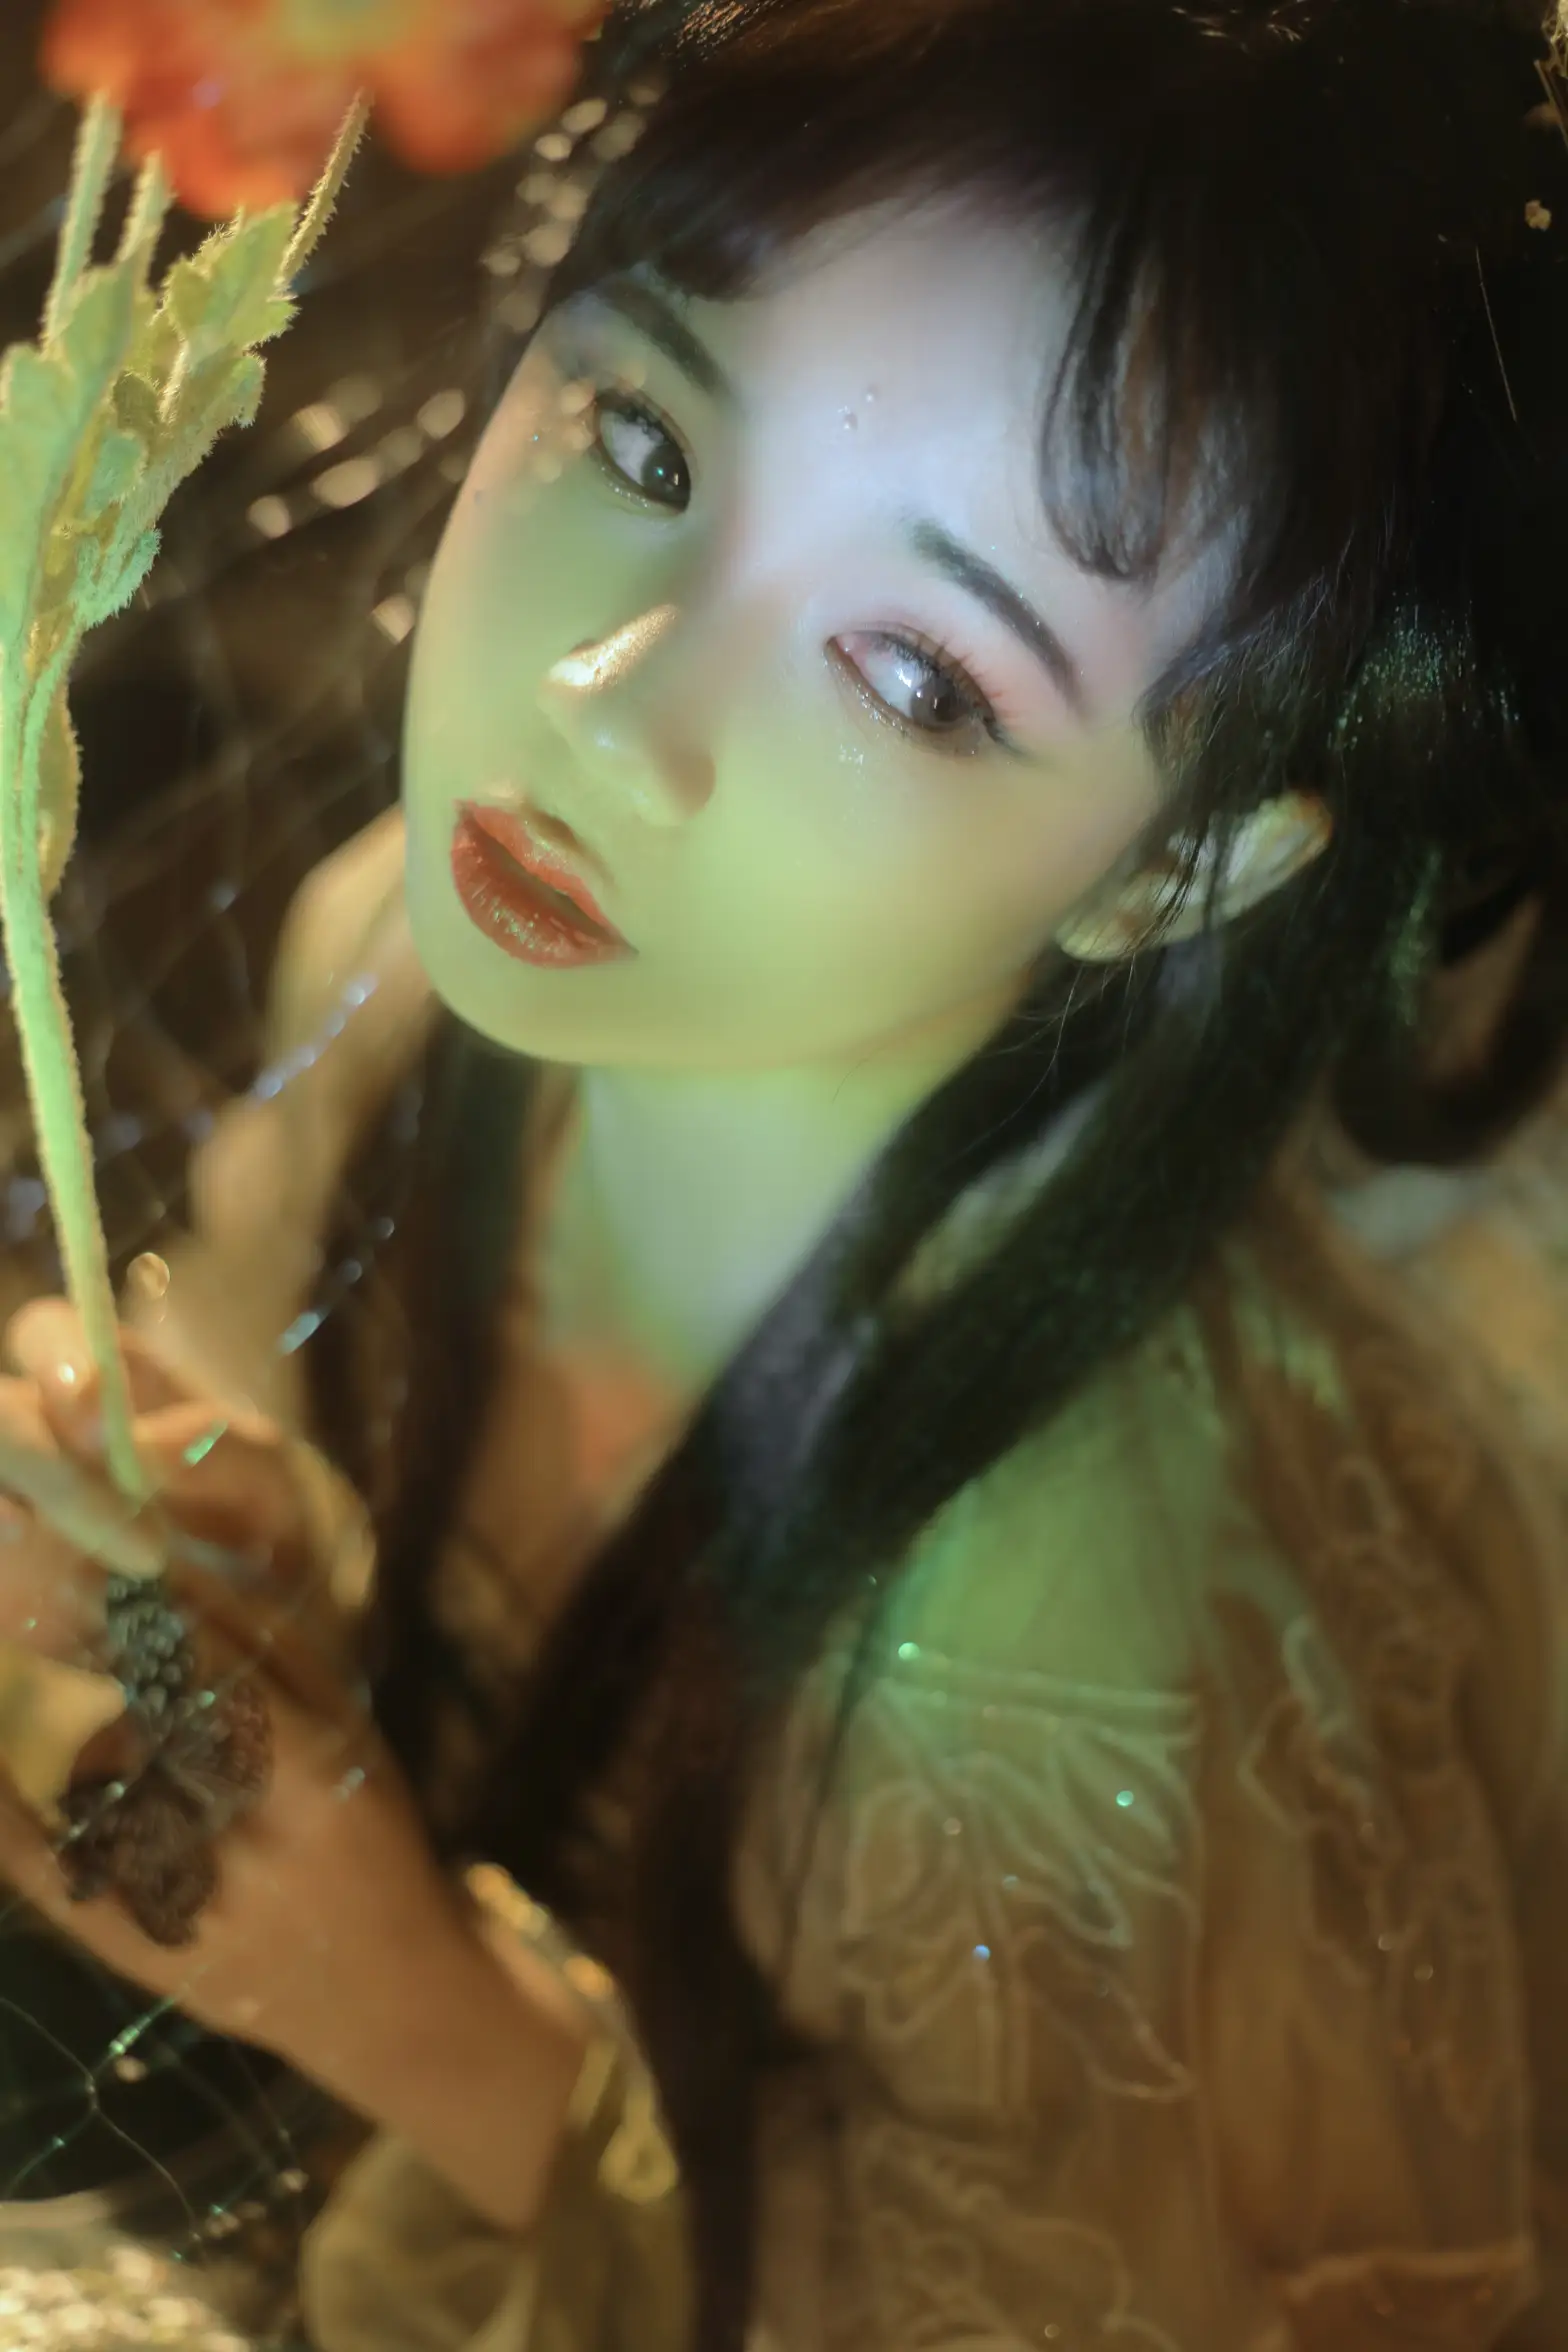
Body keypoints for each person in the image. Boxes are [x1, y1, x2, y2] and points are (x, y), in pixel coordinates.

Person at [0, 0, 1566, 2343]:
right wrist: (258, 1564)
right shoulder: (423, 966)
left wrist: (420, 2012)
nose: (610, 709)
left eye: (920, 678)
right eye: (642, 437)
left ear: (1175, 868)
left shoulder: (1102, 1664)